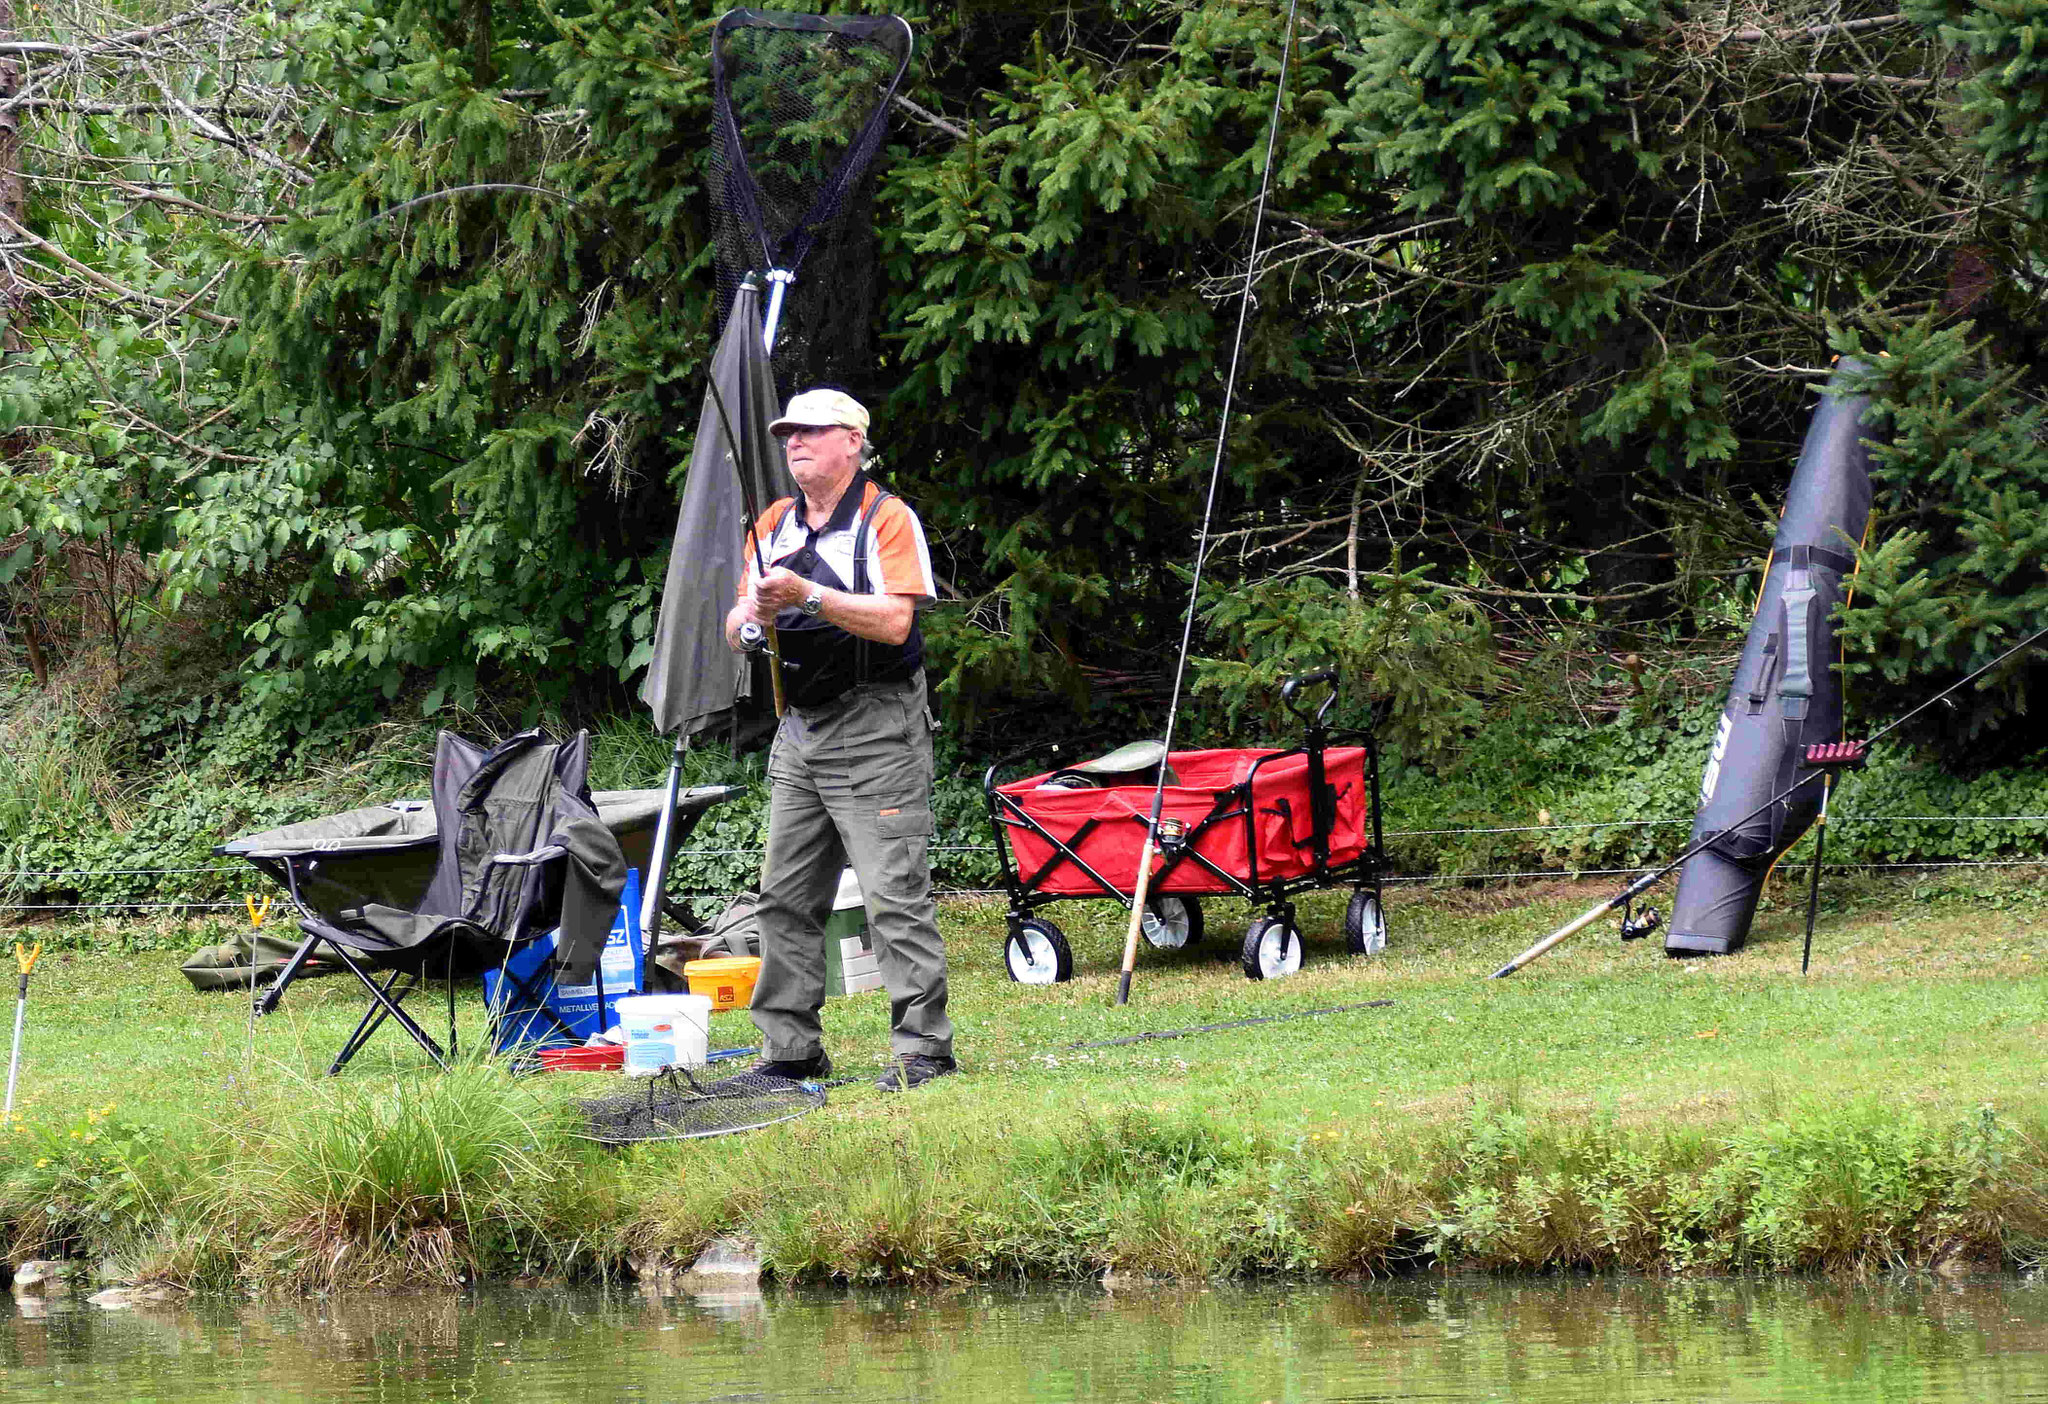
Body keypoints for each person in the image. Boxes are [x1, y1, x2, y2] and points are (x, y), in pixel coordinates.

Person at [724, 387, 956, 1091]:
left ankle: (925, 1052)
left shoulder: (888, 519)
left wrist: (808, 596)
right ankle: (790, 1050)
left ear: (852, 441)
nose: (795, 442)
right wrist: (753, 618)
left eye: (812, 432)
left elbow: (895, 624)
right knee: (784, 896)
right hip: (799, 728)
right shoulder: (771, 524)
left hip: (878, 724)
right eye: (788, 433)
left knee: (893, 892)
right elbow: (737, 625)